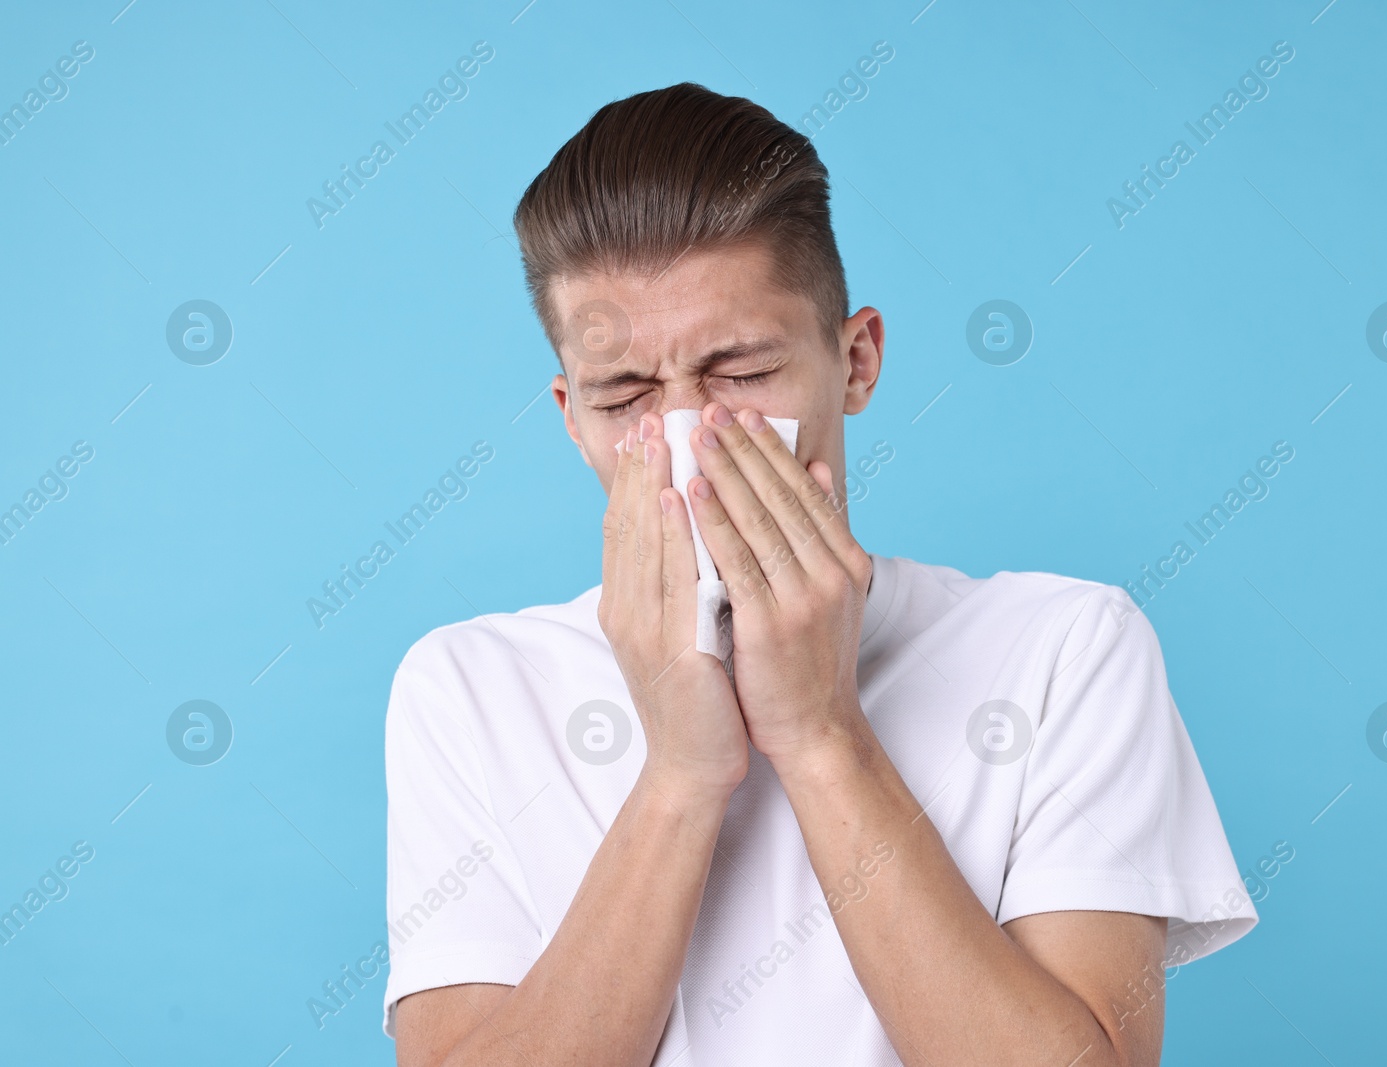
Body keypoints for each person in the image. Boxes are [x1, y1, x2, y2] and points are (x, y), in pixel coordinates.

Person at [383, 82, 1256, 1067]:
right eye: (625, 392)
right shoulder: (467, 686)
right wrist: (678, 777)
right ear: (571, 418)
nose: (689, 438)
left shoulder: (1066, 648)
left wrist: (820, 734)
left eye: (744, 374)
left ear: (855, 361)